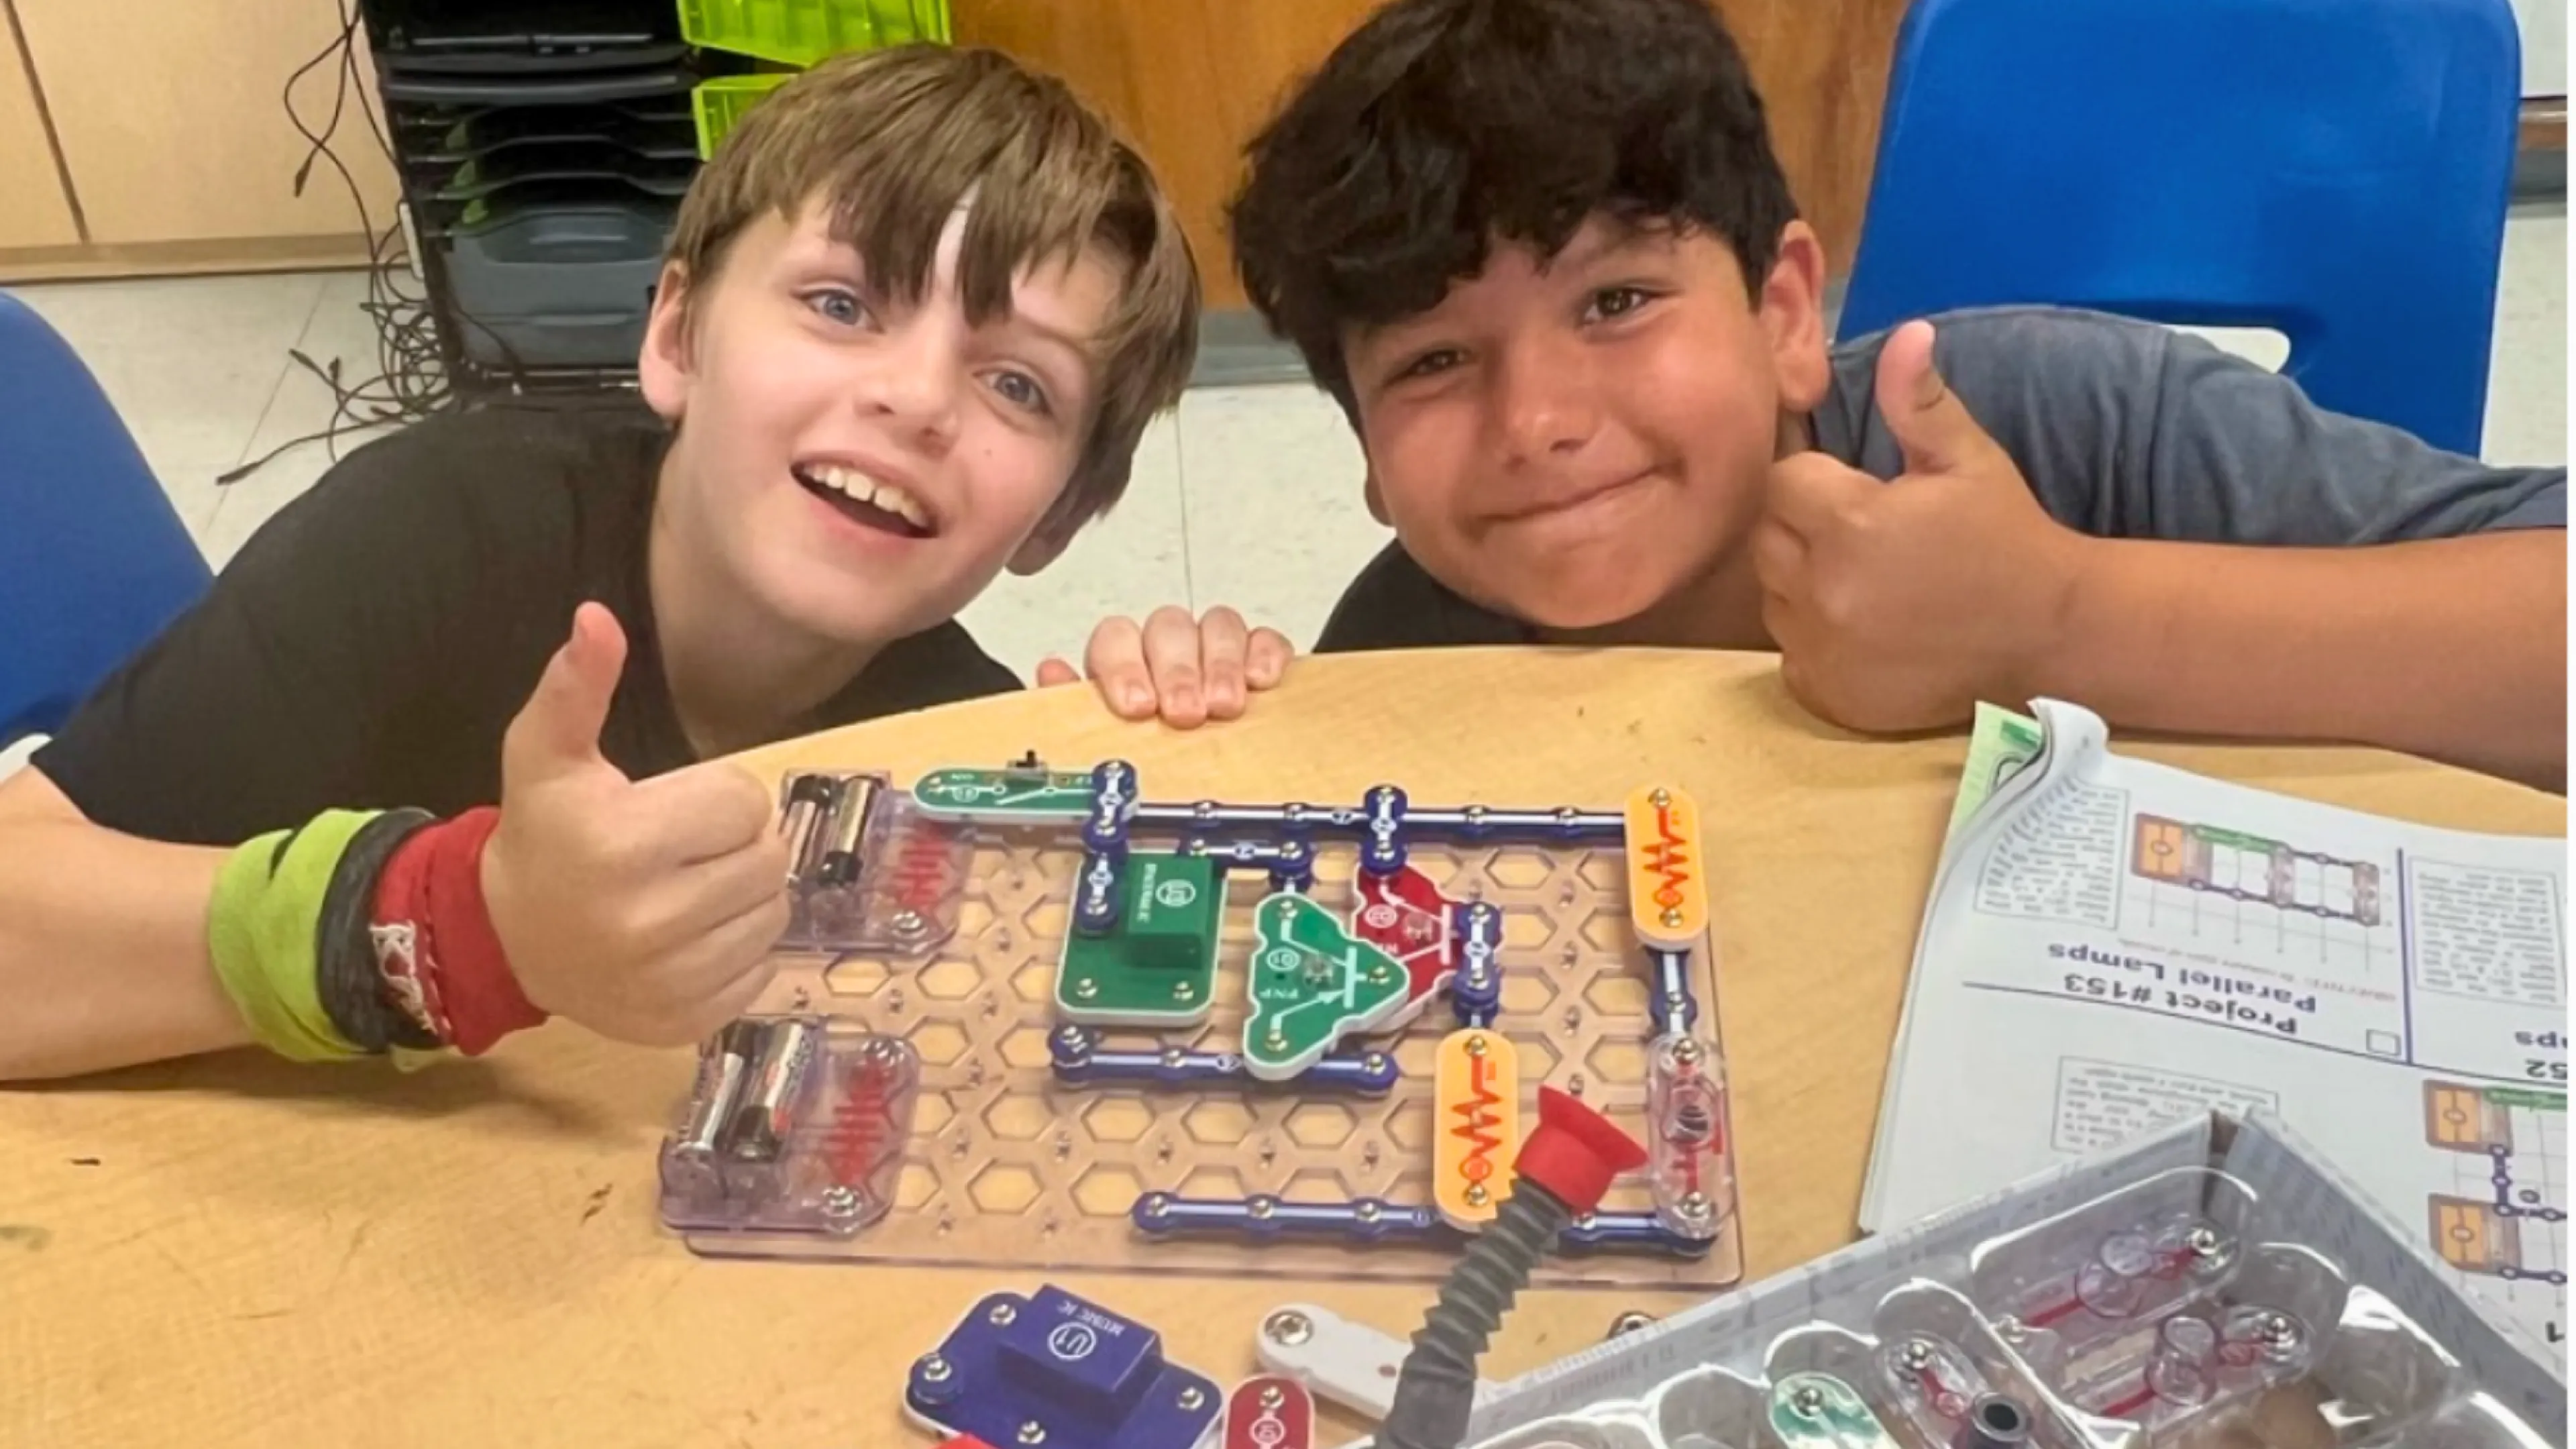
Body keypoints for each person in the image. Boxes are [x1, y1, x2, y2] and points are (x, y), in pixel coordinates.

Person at [0, 44, 1282, 1082]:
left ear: (1061, 517)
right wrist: (465, 928)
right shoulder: (443, 526)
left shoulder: (953, 740)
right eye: (841, 305)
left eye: (1016, 384)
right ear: (675, 333)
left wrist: (1184, 745)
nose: (917, 399)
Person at [1113, 0, 2564, 788]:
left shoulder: (2051, 416)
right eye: (1432, 361)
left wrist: (2057, 619)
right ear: (1363, 450)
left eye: (1615, 301)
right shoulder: (1403, 657)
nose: (1538, 422)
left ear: (1787, 313)